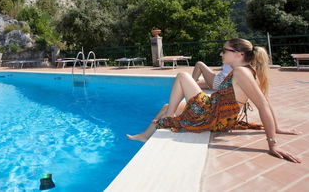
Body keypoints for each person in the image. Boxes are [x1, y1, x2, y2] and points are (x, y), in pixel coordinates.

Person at [127, 38, 301, 163]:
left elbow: (263, 104)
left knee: (181, 76)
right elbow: (267, 101)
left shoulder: (241, 73)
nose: (221, 53)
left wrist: (272, 144)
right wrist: (277, 128)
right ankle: (144, 136)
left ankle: (168, 120)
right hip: (213, 109)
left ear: (239, 54)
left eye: (224, 50)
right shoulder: (246, 70)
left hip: (212, 116)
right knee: (167, 105)